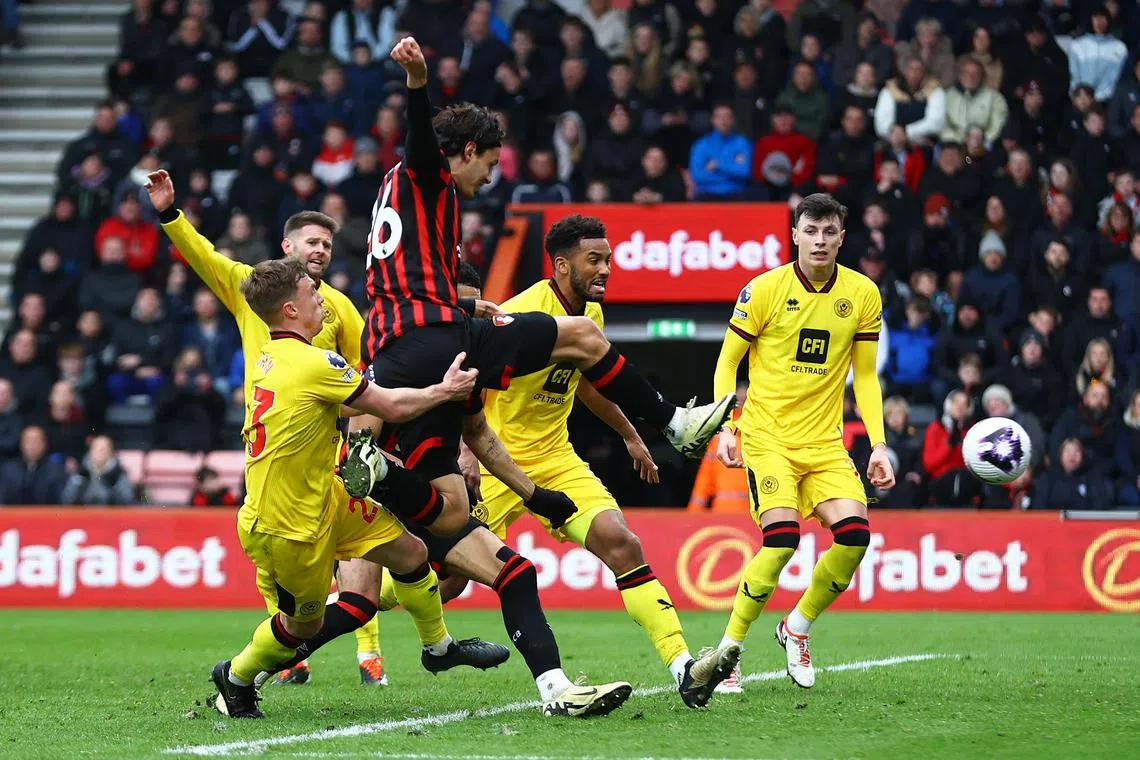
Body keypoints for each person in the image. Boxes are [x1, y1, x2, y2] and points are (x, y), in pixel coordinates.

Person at [345, 36, 735, 540]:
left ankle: (384, 477)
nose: (491, 177)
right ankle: (674, 423)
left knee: (451, 510)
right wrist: (418, 78)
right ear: (466, 152)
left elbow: (400, 279)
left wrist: (468, 301)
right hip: (434, 339)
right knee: (584, 336)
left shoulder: (391, 190)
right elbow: (421, 138)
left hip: (391, 347)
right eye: (489, 163)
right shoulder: (428, 177)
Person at [146, 169, 505, 689]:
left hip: (328, 453)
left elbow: (381, 357)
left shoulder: (334, 306)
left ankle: (432, 647)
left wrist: (458, 313)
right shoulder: (254, 292)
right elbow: (203, 256)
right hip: (278, 459)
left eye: (328, 244)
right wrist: (170, 215)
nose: (320, 250)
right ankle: (259, 665)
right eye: (311, 241)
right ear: (286, 246)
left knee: (405, 551)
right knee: (297, 605)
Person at [445, 217, 741, 708]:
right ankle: (356, 598)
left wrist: (630, 436)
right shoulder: (519, 313)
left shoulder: (590, 319)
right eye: (594, 260)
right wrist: (461, 453)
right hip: (497, 463)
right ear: (561, 266)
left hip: (557, 459)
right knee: (444, 582)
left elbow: (589, 381)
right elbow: (466, 380)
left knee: (623, 545)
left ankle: (684, 668)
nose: (606, 269)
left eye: (608, 258)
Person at [207, 257, 487, 718]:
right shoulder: (315, 363)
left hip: (326, 496)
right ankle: (235, 676)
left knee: (412, 553)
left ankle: (439, 648)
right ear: (290, 311)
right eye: (310, 293)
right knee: (303, 626)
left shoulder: (265, 356)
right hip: (288, 523)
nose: (320, 298)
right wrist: (444, 390)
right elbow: (389, 406)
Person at [710, 193, 894, 689]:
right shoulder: (763, 290)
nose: (819, 240)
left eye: (828, 232)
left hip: (824, 443)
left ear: (841, 238)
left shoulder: (862, 294)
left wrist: (878, 444)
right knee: (782, 540)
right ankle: (729, 652)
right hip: (767, 437)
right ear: (794, 235)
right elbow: (728, 364)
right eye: (810, 230)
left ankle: (797, 627)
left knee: (855, 537)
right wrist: (727, 427)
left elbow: (866, 379)